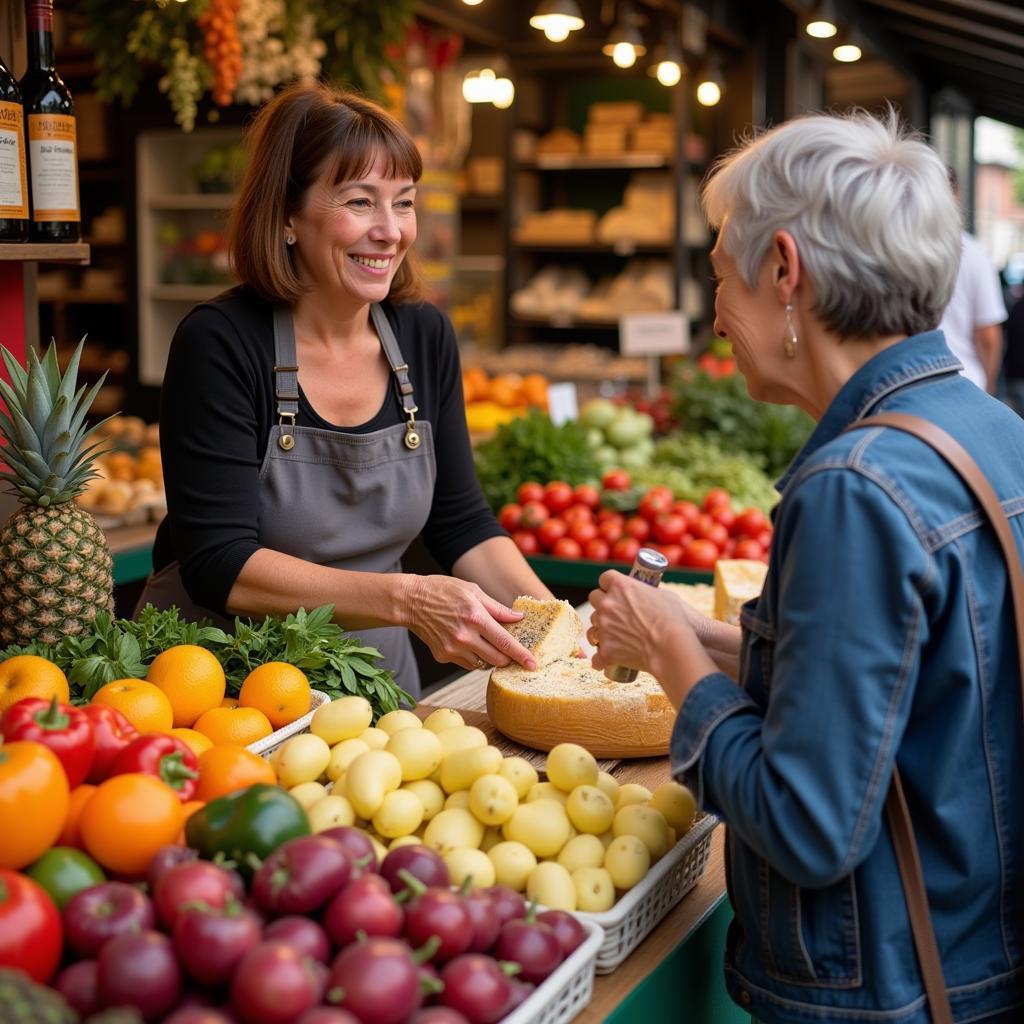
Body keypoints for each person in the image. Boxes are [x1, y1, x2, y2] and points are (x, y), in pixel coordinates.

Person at [587, 111, 1023, 1024]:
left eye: (718, 277)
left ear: (784, 269)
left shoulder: (852, 487)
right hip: (975, 953)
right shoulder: (993, 434)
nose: (714, 318)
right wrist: (722, 643)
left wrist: (671, 655)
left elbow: (807, 824)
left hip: (879, 991)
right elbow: (921, 702)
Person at [139, 82, 550, 697]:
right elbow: (219, 563)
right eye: (361, 202)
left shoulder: (423, 334)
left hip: (376, 686)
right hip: (229, 692)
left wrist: (555, 625)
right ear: (286, 216)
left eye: (404, 203)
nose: (390, 231)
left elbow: (461, 522)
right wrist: (409, 599)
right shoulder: (221, 343)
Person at [937, 168, 1007, 393]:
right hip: (965, 382)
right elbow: (988, 335)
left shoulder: (894, 247)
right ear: (956, 195)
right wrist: (990, 385)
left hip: (905, 384)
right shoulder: (973, 253)